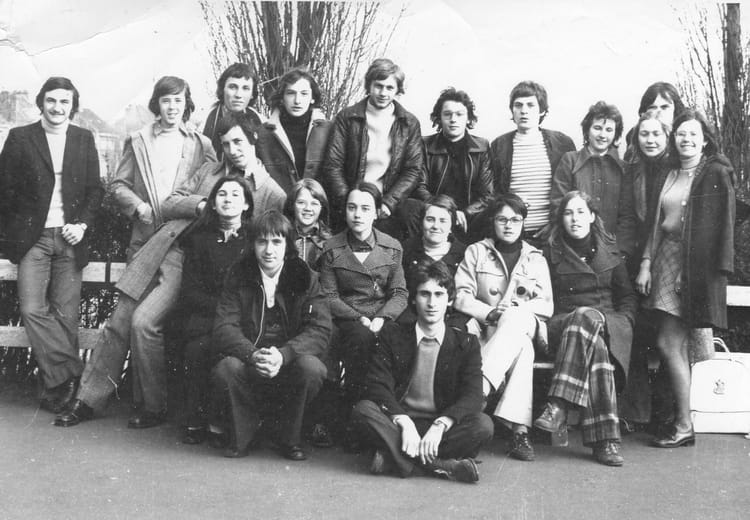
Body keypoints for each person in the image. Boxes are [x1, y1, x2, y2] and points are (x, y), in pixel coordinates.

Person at [54, 76, 216, 428]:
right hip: (144, 244)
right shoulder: (139, 139)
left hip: (178, 246)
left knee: (148, 322)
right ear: (157, 103)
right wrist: (138, 206)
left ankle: (153, 406)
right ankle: (87, 400)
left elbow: (213, 190)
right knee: (120, 322)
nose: (172, 107)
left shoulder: (200, 145)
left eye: (178, 100)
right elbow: (118, 185)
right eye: (166, 100)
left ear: (186, 104)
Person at [0, 77, 104, 413]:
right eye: (52, 101)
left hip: (71, 238)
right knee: (32, 309)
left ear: (73, 105)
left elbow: (94, 190)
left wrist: (81, 225)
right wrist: (14, 233)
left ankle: (56, 390)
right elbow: (4, 191)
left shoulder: (83, 138)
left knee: (66, 316)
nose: (58, 108)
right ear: (41, 102)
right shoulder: (20, 138)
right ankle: (74, 371)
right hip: (34, 239)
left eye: (64, 102)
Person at [635, 109, 735, 448]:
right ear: (673, 138)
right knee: (670, 343)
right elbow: (656, 224)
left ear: (705, 139)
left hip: (691, 265)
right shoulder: (669, 171)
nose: (686, 139)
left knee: (669, 342)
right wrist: (646, 263)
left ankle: (683, 424)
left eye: (693, 133)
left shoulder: (714, 173)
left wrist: (688, 273)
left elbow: (714, 233)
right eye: (680, 133)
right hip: (663, 257)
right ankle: (680, 422)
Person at [351, 260, 494, 483]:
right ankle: (442, 465)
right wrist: (404, 421)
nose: (432, 303)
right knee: (363, 410)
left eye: (439, 294)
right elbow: (377, 384)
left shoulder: (466, 342)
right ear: (413, 299)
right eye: (424, 294)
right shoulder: (392, 334)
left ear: (450, 300)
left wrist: (440, 424)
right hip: (400, 423)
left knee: (483, 425)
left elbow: (473, 395)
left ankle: (394, 458)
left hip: (440, 427)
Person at [210, 210, 331, 460]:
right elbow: (224, 327)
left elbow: (320, 329)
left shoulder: (306, 276)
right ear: (252, 245)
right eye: (262, 242)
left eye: (276, 242)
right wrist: (253, 355)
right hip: (250, 360)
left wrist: (284, 355)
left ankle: (289, 438)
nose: (269, 250)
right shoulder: (238, 274)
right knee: (226, 368)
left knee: (313, 368)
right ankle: (244, 435)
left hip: (289, 361)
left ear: (288, 245)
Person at [535, 191, 637, 466]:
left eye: (581, 212)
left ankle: (558, 405)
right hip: (563, 324)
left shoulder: (611, 251)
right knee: (584, 321)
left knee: (595, 336)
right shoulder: (549, 252)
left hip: (607, 324)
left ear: (592, 216)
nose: (575, 219)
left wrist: (624, 321)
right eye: (568, 213)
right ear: (561, 219)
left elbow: (627, 297)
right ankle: (606, 442)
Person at [453, 193, 552, 461]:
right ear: (493, 222)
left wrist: (515, 311)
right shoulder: (476, 252)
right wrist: (491, 312)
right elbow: (461, 295)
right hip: (488, 328)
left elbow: (546, 304)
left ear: (523, 223)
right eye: (502, 219)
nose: (509, 225)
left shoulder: (535, 258)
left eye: (515, 220)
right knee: (522, 348)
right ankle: (519, 431)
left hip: (526, 322)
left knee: (516, 320)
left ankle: (478, 391)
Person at [318, 182, 408, 415]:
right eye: (352, 207)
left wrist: (382, 317)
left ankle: (391, 409)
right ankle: (352, 408)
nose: (357, 214)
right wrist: (358, 318)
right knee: (359, 337)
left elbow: (399, 293)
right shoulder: (332, 247)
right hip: (347, 317)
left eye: (365, 208)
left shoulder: (392, 247)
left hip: (381, 315)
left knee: (397, 337)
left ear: (376, 213)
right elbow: (329, 295)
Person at [176, 175, 253, 444]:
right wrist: (221, 309)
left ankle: (223, 422)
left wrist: (234, 313)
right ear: (212, 203)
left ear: (246, 204)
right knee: (198, 349)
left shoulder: (254, 239)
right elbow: (190, 291)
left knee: (231, 353)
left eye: (235, 194)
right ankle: (196, 419)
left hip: (243, 319)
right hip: (207, 316)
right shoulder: (198, 239)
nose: (228, 199)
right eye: (222, 194)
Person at [323, 58, 423, 237]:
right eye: (378, 86)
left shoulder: (409, 123)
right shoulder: (347, 118)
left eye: (390, 88)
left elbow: (413, 169)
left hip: (385, 206)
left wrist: (389, 202)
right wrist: (350, 202)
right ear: (369, 85)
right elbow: (333, 164)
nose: (383, 93)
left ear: (398, 90)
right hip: (352, 202)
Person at [489, 80, 576, 246]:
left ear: (542, 110)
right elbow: (494, 193)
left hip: (553, 235)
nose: (524, 111)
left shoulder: (562, 143)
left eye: (530, 105)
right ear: (512, 110)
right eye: (518, 105)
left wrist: (554, 225)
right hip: (512, 234)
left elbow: (571, 191)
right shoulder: (499, 146)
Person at [550, 101, 636, 256]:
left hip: (611, 252)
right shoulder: (570, 161)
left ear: (615, 134)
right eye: (597, 128)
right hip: (573, 248)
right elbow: (558, 206)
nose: (602, 135)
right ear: (587, 130)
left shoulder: (623, 169)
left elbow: (627, 216)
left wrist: (620, 252)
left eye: (609, 130)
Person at [414, 88, 492, 241]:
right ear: (439, 118)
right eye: (447, 114)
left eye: (459, 114)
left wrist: (465, 213)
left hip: (469, 219)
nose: (453, 119)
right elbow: (419, 186)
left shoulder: (481, 147)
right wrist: (443, 211)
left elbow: (487, 194)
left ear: (468, 118)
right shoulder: (425, 145)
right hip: (433, 215)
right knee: (409, 207)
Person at [256, 68, 333, 193]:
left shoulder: (328, 131)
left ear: (313, 98)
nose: (297, 100)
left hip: (315, 203)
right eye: (291, 93)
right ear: (282, 98)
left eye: (304, 94)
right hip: (278, 202)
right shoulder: (264, 133)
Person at [203, 63, 264, 160]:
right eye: (232, 87)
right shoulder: (204, 121)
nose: (238, 95)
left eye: (245, 88)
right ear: (222, 89)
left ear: (252, 94)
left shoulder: (260, 121)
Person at [624, 82, 686, 160]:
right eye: (652, 107)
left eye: (664, 107)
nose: (658, 112)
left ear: (675, 109)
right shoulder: (634, 137)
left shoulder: (685, 137)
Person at [284, 178, 332, 269]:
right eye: (301, 202)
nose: (308, 208)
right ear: (292, 205)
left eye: (314, 203)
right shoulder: (282, 238)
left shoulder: (330, 244)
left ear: (322, 207)